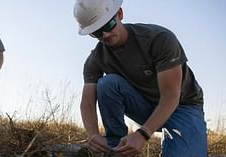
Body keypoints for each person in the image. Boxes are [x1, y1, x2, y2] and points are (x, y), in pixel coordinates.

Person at [73, 0, 207, 156]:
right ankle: (117, 147)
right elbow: (87, 103)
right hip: (145, 105)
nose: (105, 35)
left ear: (120, 14)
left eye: (108, 25)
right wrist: (93, 135)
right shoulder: (95, 59)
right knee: (107, 84)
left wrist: (143, 134)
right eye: (96, 32)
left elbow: (171, 96)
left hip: (183, 107)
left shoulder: (159, 39)